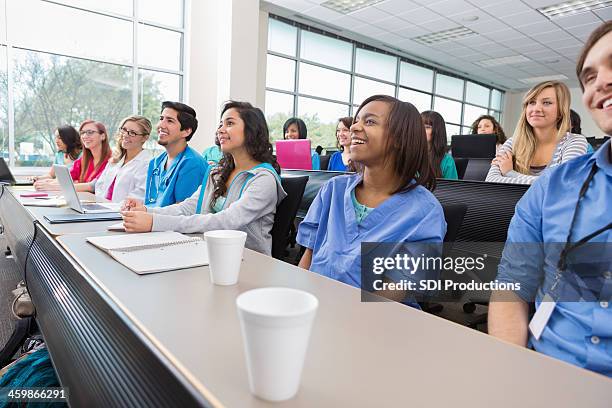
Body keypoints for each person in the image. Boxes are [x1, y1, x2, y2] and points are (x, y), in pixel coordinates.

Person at [488, 21, 612, 377]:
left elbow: (504, 177)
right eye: (589, 76)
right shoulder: (552, 184)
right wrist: (509, 374)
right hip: (547, 367)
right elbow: (513, 285)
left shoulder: (572, 144)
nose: (600, 81)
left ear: (563, 110)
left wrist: (512, 173)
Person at [297, 95, 446, 303]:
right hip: (315, 308)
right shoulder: (333, 190)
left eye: (369, 121)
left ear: (399, 138)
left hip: (373, 324)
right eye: (357, 120)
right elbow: (309, 257)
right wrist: (298, 302)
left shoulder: (425, 211)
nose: (355, 128)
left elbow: (388, 297)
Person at [121, 101, 287, 256]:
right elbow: (188, 208)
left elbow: (225, 222)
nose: (221, 129)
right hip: (206, 251)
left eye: (229, 123)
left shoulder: (264, 179)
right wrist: (146, 211)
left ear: (251, 130)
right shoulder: (217, 173)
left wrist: (154, 222)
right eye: (221, 124)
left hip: (245, 259)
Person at [485, 81, 588, 184]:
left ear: (561, 111)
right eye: (532, 102)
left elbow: (563, 182)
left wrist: (510, 173)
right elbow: (491, 180)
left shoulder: (574, 141)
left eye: (547, 103)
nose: (536, 109)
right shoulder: (512, 143)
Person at [143, 101, 208, 207]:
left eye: (170, 121)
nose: (161, 125)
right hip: (150, 220)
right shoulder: (155, 163)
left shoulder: (192, 164)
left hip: (168, 222)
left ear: (186, 131)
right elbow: (151, 203)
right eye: (161, 119)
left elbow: (184, 212)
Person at [75, 115, 153, 202]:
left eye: (132, 133)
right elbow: (99, 186)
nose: (125, 135)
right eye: (124, 130)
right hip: (102, 208)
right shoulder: (116, 159)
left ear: (145, 138)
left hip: (120, 212)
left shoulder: (147, 164)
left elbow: (138, 197)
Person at [34, 120, 111, 191]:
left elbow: (94, 186)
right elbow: (67, 178)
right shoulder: (83, 160)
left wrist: (53, 186)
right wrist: (47, 182)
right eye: (82, 133)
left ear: (102, 136)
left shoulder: (111, 160)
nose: (84, 136)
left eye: (90, 132)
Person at [421, 110, 458, 179]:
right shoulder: (410, 154)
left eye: (427, 127)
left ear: (437, 131)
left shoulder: (447, 160)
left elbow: (451, 189)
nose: (421, 130)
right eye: (419, 126)